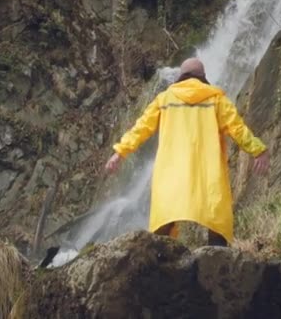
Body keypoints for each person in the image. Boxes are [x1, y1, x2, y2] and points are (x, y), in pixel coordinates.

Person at [105, 58, 269, 246]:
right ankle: (218, 260)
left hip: (172, 170)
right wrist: (258, 150)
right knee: (215, 218)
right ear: (203, 77)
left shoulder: (164, 99)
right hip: (207, 170)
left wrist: (120, 152)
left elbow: (141, 129)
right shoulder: (216, 99)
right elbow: (238, 129)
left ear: (180, 76)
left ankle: (158, 260)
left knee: (165, 219)